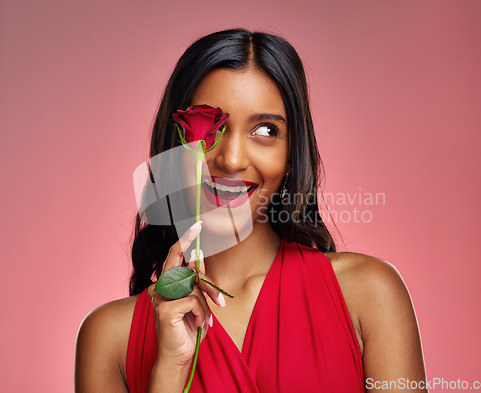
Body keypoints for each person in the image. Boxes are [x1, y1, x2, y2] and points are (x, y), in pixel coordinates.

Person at [75, 29, 427, 392]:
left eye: (264, 130)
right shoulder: (108, 338)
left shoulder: (369, 294)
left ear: (292, 155)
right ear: (174, 149)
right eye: (213, 130)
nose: (231, 160)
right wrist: (170, 371)